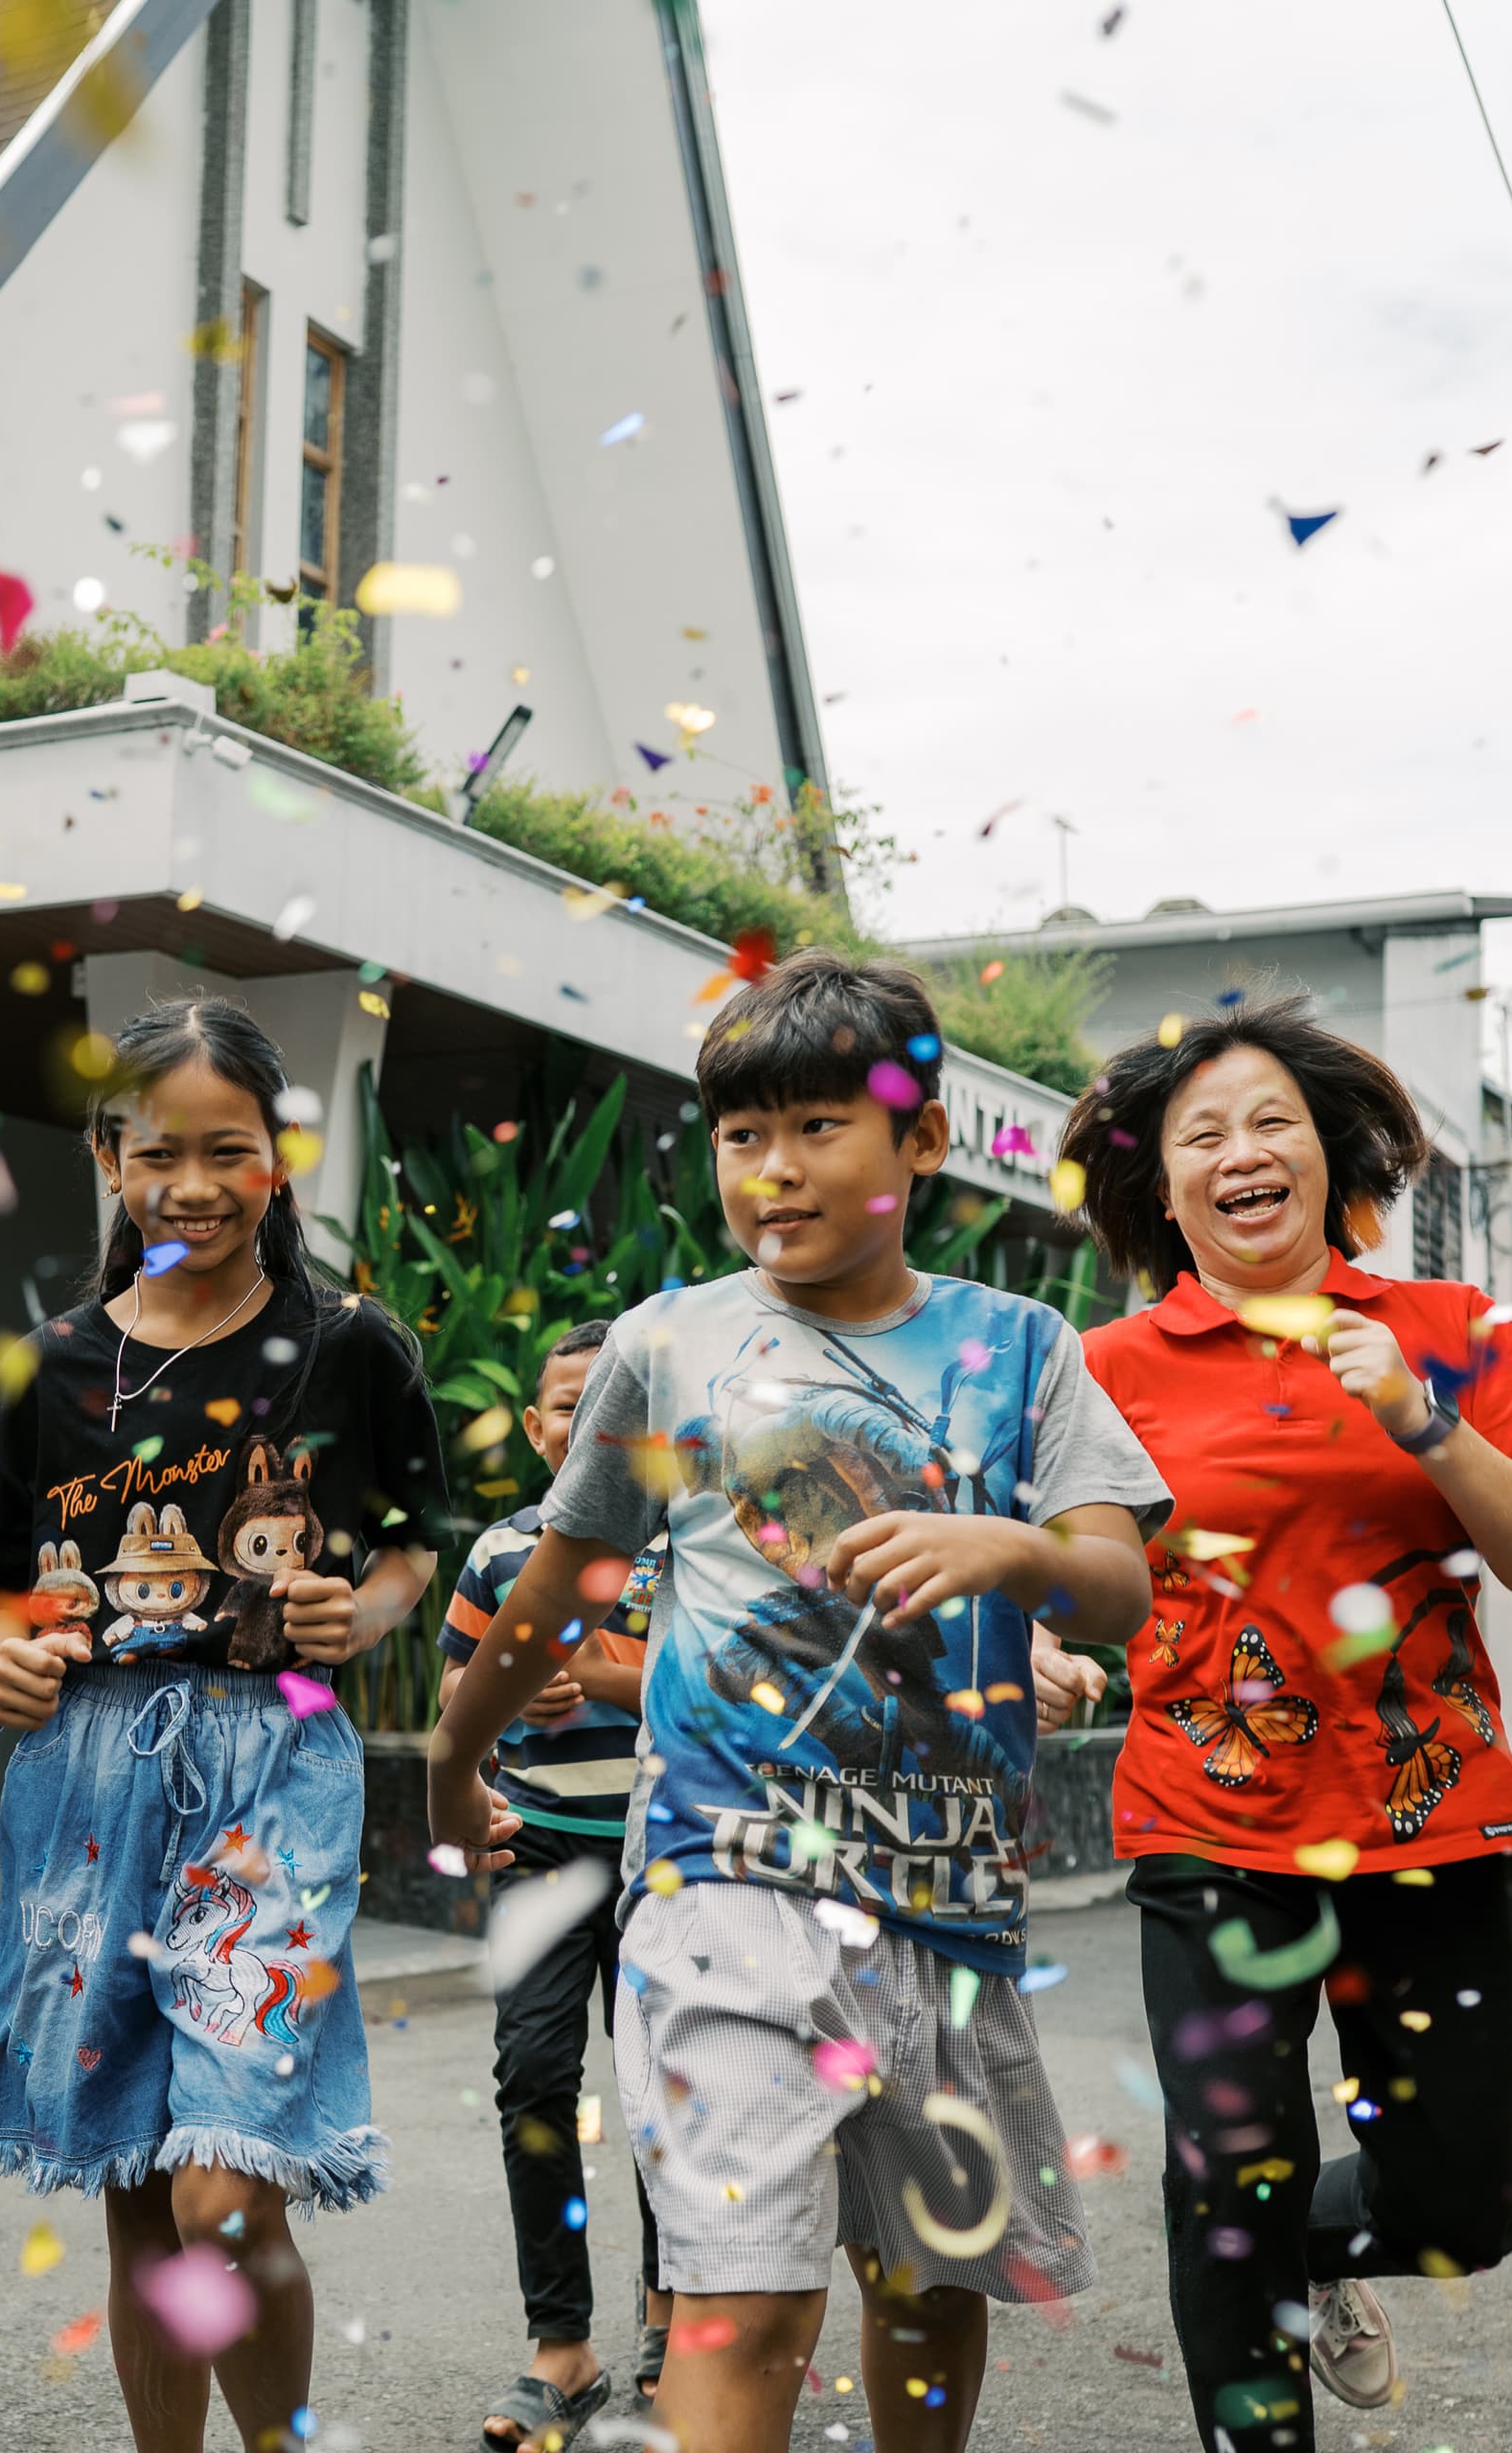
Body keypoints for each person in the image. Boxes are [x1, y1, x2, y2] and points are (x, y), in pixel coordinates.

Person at [430, 949, 1167, 2453]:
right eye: (741, 1136)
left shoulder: (1024, 1351)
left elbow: (1115, 1585)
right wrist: (456, 1750)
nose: (774, 1171)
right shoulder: (664, 1343)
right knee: (746, 2295)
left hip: (952, 1903)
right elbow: (561, 1585)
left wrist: (1014, 1549)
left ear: (924, 1141)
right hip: (728, 1877)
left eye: (820, 1126)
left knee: (926, 2281)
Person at [1059, 997, 1512, 2452]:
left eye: (1270, 1124)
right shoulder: (1109, 1372)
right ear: (1162, 1187)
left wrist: (1428, 1422)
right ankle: (1251, 2282)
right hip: (1212, 1827)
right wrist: (1043, 1650)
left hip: (1437, 1827)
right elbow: (1072, 1573)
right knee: (1226, 2177)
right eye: (1203, 1136)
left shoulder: (1447, 1331)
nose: (1242, 1155)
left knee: (1454, 2211)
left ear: (1325, 1154)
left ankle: (1298, 2247)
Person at [0, 995, 455, 2453]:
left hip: (272, 1760)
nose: (196, 1186)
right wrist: (9, 1654)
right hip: (87, 1773)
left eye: (231, 1152)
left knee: (228, 2187)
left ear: (277, 1161)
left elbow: (419, 1540)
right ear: (109, 1155)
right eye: (162, 1153)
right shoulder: (50, 1365)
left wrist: (376, 1611)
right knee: (138, 2186)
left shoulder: (349, 1345)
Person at [436, 1317, 670, 2448]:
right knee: (533, 2080)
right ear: (537, 1430)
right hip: (535, 1852)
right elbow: (452, 1708)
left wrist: (590, 1673)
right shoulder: (498, 1553)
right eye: (568, 1406)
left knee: (671, 2096)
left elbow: (709, 1692)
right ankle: (561, 2347)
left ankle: (673, 2323)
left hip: (664, 1855)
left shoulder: (681, 1550)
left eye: (610, 1405)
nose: (586, 1426)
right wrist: (498, 1714)